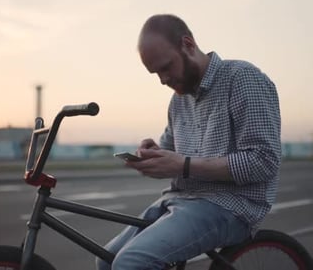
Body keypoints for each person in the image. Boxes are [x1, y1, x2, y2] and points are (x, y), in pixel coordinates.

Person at [96, 14, 281, 270]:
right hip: (180, 199)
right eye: (155, 73)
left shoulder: (243, 79)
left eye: (166, 67)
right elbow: (172, 154)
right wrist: (152, 156)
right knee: (105, 260)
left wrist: (183, 165)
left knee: (131, 262)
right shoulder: (178, 99)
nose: (162, 79)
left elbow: (264, 161)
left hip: (231, 205)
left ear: (188, 45)